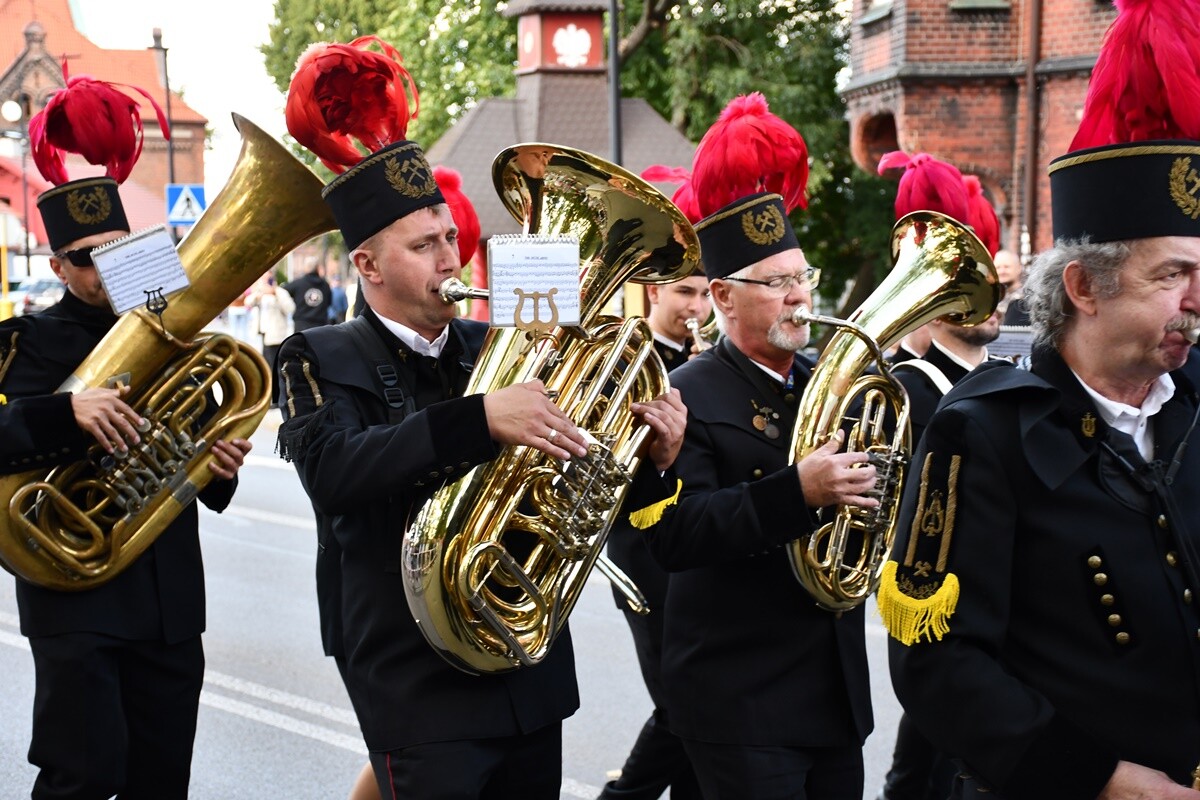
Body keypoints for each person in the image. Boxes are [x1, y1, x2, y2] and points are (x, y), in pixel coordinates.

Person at [274, 36, 687, 799]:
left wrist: (651, 456)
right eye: (424, 245)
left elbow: (579, 487)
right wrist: (479, 419)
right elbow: (334, 475)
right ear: (367, 265)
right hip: (410, 670)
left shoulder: (496, 342)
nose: (449, 260)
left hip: (523, 662)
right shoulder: (313, 355)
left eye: (451, 240)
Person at [880, 4, 1200, 795]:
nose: (1197, 300)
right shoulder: (983, 430)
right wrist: (1100, 778)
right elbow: (939, 665)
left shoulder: (1193, 403)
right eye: (1174, 276)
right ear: (1085, 287)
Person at [0, 72, 250, 799]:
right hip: (75, 595)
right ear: (57, 267)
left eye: (118, 249)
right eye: (86, 258)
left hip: (168, 596)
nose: (105, 267)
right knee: (81, 776)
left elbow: (203, 449)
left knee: (161, 779)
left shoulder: (177, 337)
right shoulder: (25, 343)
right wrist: (64, 415)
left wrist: (221, 463)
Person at [636, 94, 877, 800]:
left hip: (830, 692)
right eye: (778, 284)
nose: (800, 297)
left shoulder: (823, 383)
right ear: (723, 296)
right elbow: (676, 537)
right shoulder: (687, 392)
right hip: (739, 696)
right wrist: (797, 491)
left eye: (803, 278)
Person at [599, 273, 711, 800]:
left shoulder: (709, 357)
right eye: (686, 292)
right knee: (681, 702)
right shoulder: (625, 356)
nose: (698, 306)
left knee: (700, 706)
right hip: (638, 546)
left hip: (694, 545)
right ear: (655, 294)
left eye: (708, 294)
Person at [244, 272, 296, 406]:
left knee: (275, 369)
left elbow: (290, 308)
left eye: (268, 279)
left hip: (275, 336)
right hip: (262, 334)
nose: (266, 282)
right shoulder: (260, 294)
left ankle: (277, 398)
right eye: (264, 279)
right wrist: (259, 293)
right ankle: (269, 397)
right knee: (265, 367)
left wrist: (276, 294)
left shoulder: (280, 292)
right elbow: (247, 302)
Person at [283, 258, 333, 331]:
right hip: (320, 326)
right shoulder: (325, 285)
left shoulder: (298, 284)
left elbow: (282, 291)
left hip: (301, 327)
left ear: (305, 268)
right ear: (317, 268)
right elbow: (329, 303)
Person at [993, 249, 1030, 325]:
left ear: (1019, 268)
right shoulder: (992, 299)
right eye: (998, 268)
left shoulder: (1027, 298)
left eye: (1006, 267)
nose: (1002, 271)